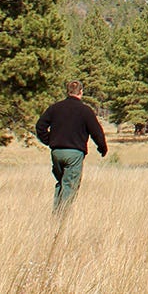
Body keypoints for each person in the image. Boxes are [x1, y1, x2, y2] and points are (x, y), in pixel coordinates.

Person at [34, 81, 107, 213]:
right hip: (74, 153)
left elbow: (40, 126)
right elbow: (97, 132)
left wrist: (50, 141)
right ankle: (62, 220)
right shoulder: (85, 110)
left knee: (61, 183)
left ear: (67, 91)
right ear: (81, 92)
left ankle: (55, 215)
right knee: (70, 186)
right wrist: (102, 148)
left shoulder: (55, 108)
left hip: (56, 153)